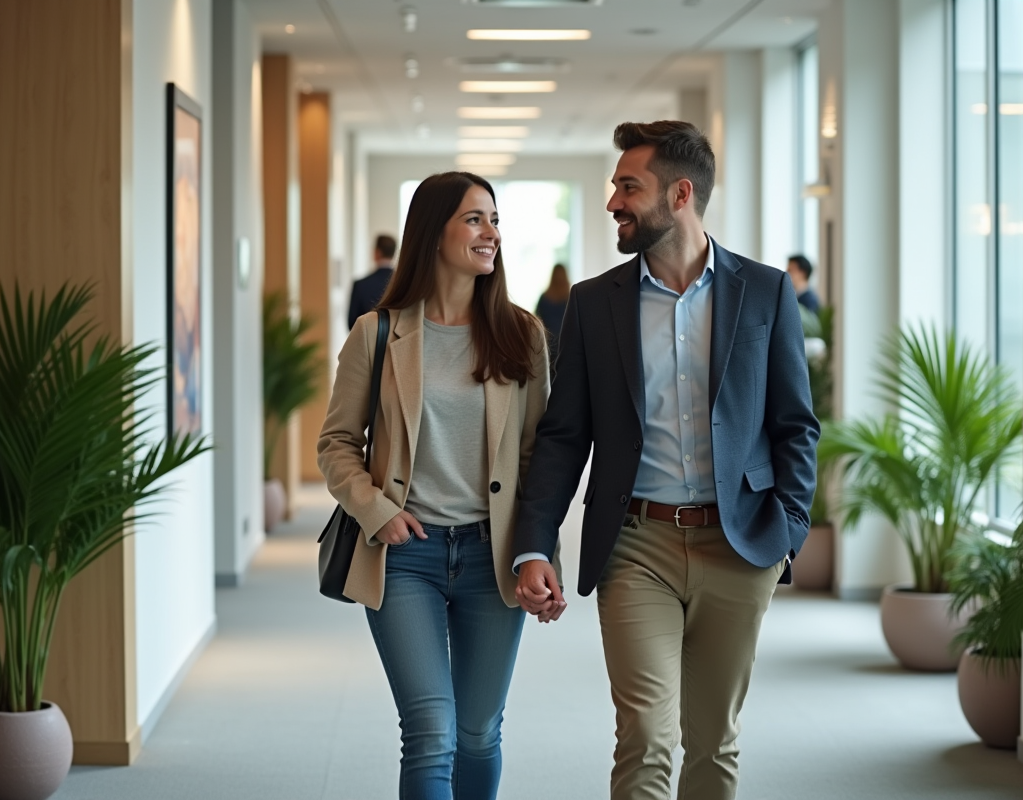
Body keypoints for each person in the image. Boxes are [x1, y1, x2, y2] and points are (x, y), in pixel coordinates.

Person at [512, 121, 819, 800]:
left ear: (680, 195)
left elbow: (795, 424)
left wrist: (788, 528)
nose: (613, 201)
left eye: (629, 185)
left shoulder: (766, 293)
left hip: (739, 545)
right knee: (647, 735)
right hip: (636, 543)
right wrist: (534, 543)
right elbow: (565, 436)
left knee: (712, 742)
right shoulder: (595, 304)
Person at [317, 171, 553, 800]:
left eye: (495, 219)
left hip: (491, 554)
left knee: (478, 732)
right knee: (430, 730)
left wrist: (538, 552)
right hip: (405, 556)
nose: (491, 233)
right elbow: (337, 443)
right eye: (475, 219)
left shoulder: (522, 336)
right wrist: (375, 509)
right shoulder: (378, 333)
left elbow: (536, 460)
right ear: (433, 231)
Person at [347, 234, 397, 330]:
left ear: (377, 252)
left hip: (366, 341)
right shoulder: (402, 284)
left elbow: (352, 324)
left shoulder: (360, 285)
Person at [534, 263, 571, 368]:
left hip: (549, 345)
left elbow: (537, 322)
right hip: (563, 345)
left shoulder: (545, 297)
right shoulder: (570, 298)